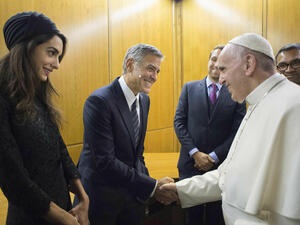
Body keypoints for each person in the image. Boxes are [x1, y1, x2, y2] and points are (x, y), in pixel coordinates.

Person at [161, 33, 300, 225]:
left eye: (224, 69)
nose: (221, 79)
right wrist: (181, 189)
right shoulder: (256, 103)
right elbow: (229, 175)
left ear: (248, 64)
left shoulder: (294, 106)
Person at [0, 12, 89, 225]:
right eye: (51, 53)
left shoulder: (35, 93)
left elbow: (58, 147)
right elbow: (14, 180)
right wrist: (64, 219)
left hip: (62, 210)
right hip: (32, 216)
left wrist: (82, 196)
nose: (56, 64)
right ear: (27, 48)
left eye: (58, 56)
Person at [74, 43, 175, 225]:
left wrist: (149, 185)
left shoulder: (144, 100)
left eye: (158, 71)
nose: (154, 77)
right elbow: (106, 162)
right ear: (130, 65)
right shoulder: (99, 101)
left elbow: (137, 154)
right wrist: (152, 186)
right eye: (150, 69)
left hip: (131, 196)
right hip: (102, 199)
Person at [174, 45, 245, 225]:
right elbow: (179, 123)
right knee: (192, 219)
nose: (216, 64)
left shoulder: (236, 92)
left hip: (221, 166)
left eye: (222, 61)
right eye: (214, 59)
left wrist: (213, 157)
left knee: (217, 218)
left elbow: (238, 131)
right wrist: (195, 153)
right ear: (208, 61)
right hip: (190, 165)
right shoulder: (189, 88)